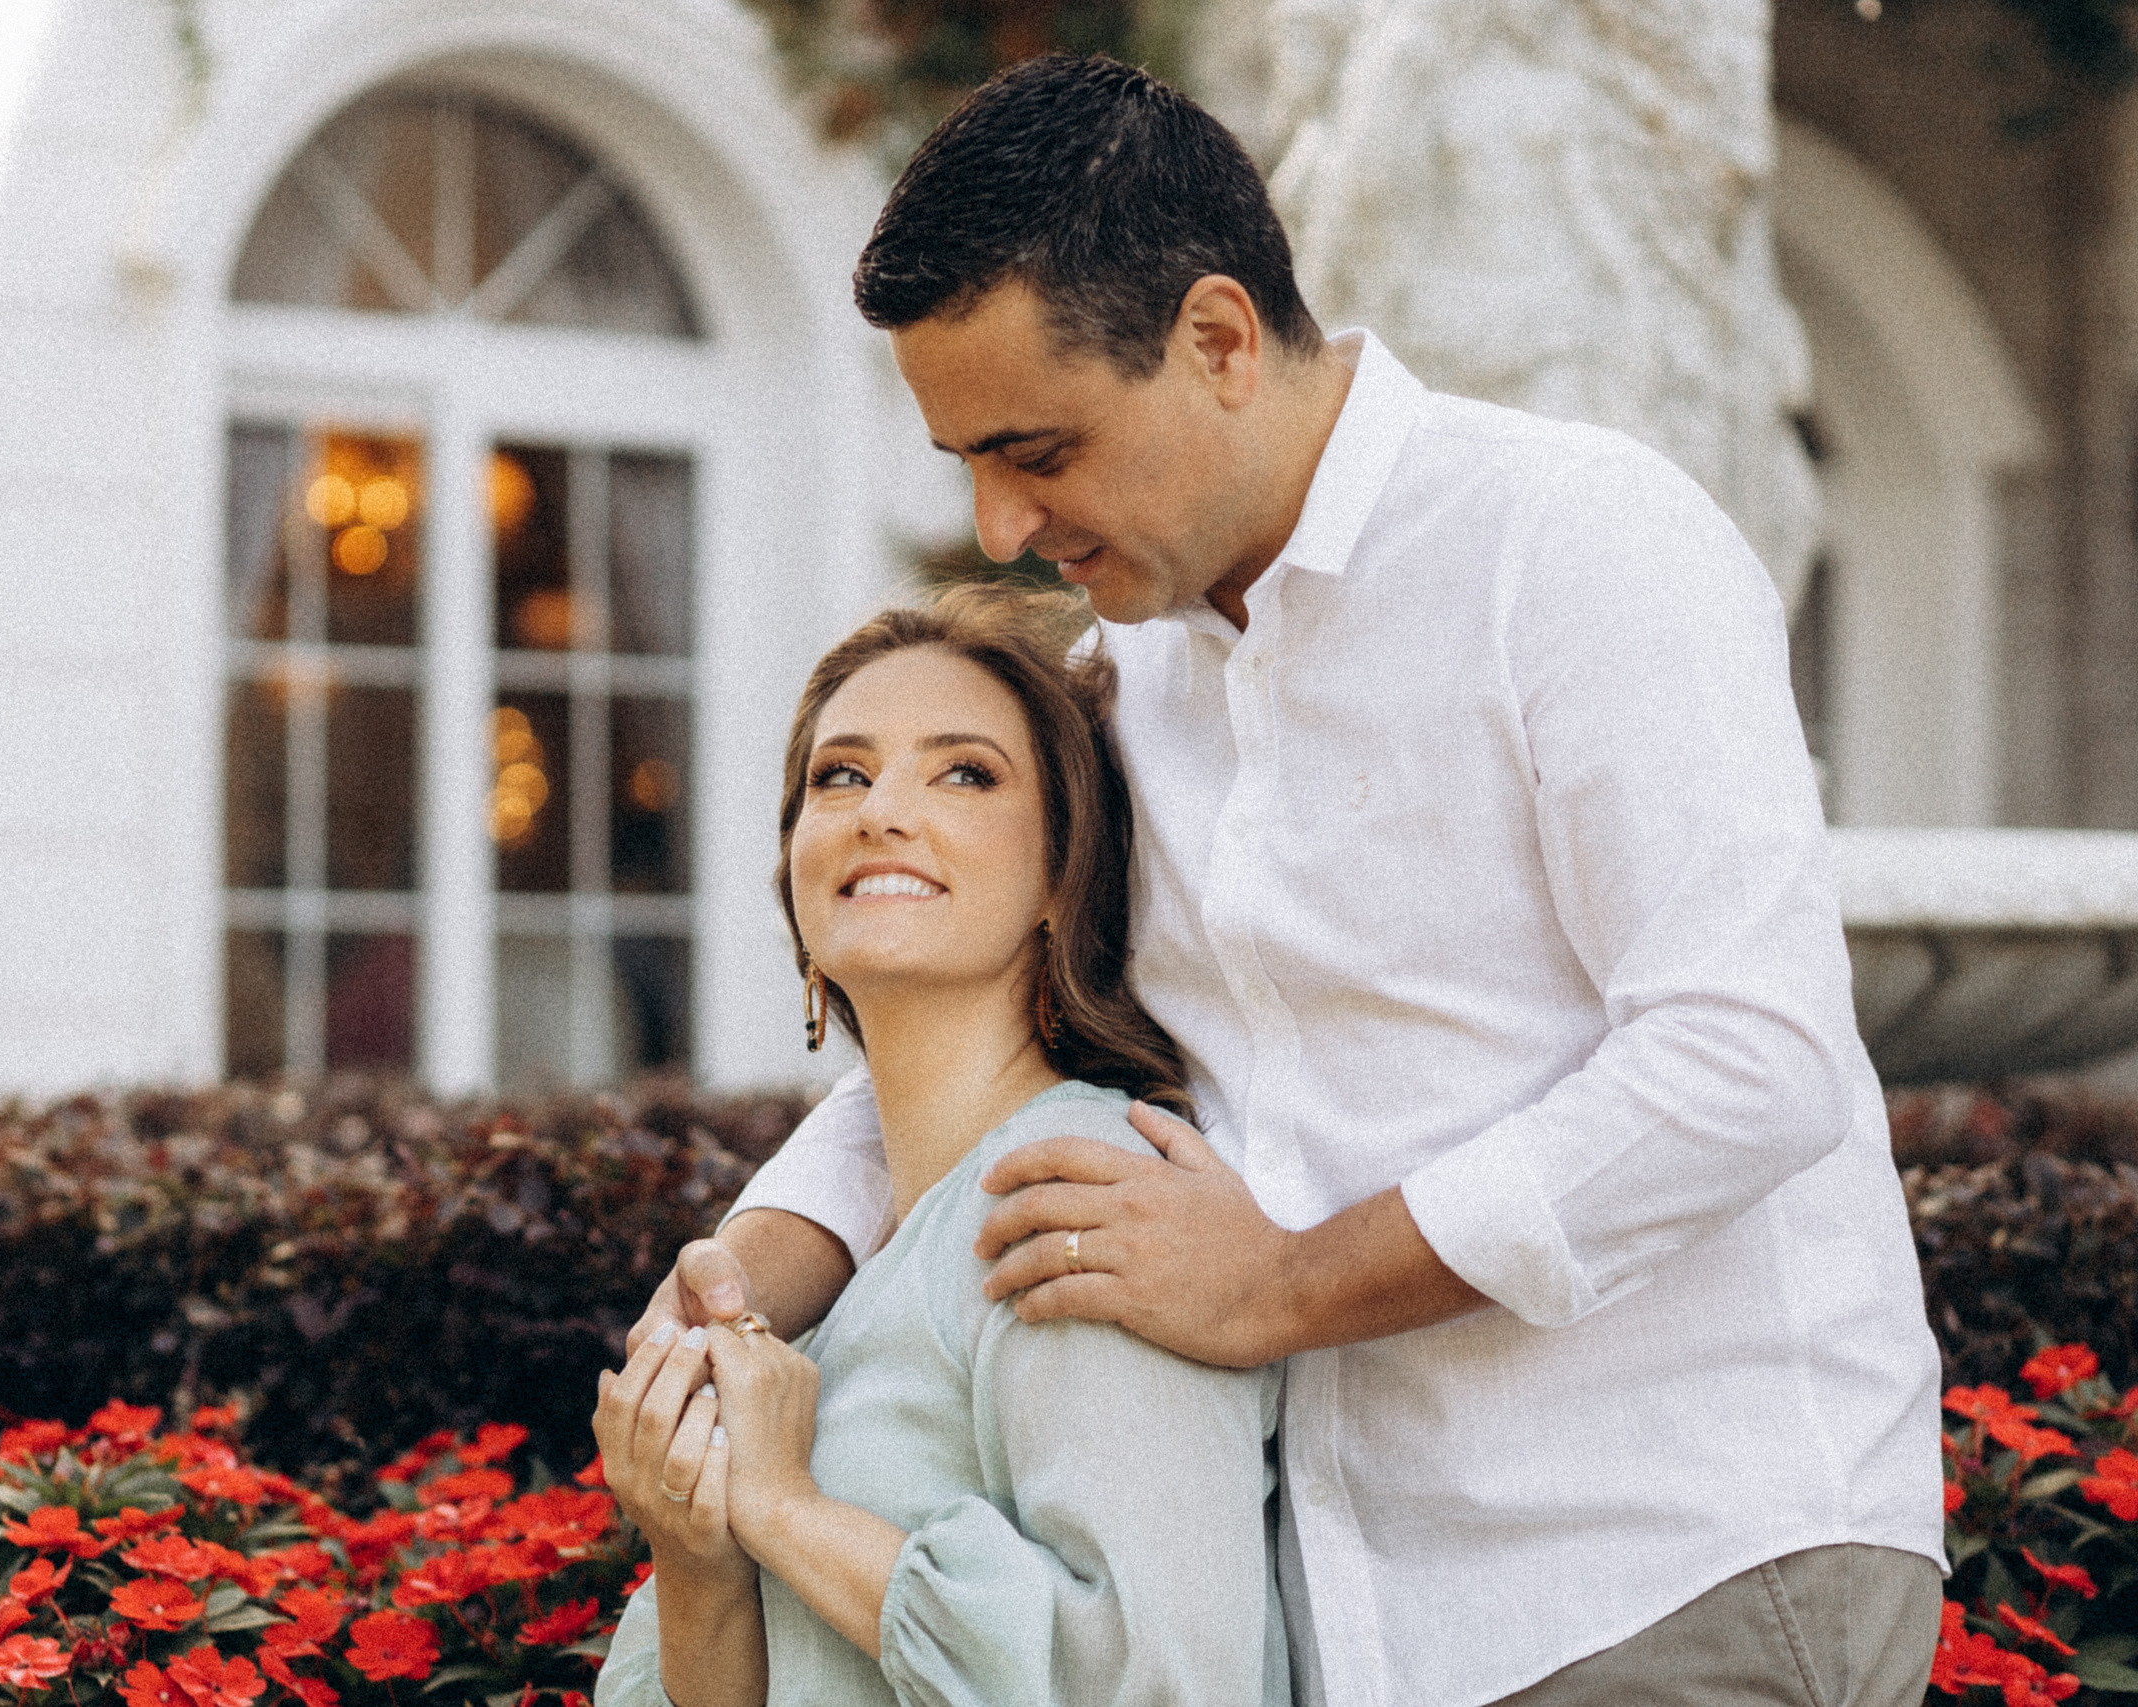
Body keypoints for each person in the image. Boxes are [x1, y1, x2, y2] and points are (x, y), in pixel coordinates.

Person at [632, 53, 1945, 1707]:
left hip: (1673, 1558)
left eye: (1038, 450)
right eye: (965, 459)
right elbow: (996, 1017)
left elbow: (1748, 1061)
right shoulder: (1131, 672)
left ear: (1220, 339)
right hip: (1352, 1613)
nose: (998, 521)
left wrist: (1277, 1282)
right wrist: (743, 1277)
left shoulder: (1579, 542)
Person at [591, 588, 1292, 1707]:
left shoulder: (1083, 1201)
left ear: (1065, 877)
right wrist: (699, 1551)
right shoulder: (829, 1279)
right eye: (841, 775)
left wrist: (788, 1512)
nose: (881, 812)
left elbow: (1158, 1676)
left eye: (964, 772)